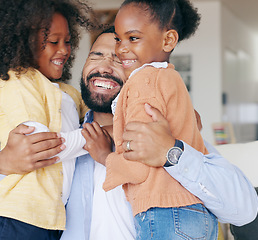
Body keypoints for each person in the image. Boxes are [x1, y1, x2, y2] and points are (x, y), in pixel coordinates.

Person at [0, 27, 258, 239]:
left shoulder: (166, 133)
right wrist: (1, 163)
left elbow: (243, 210)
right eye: (96, 55)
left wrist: (171, 153)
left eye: (121, 59)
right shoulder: (62, 134)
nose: (106, 66)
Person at [85, 0, 219, 239]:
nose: (121, 49)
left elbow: (138, 168)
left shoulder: (143, 84)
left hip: (166, 214)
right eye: (119, 38)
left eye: (133, 38)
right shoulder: (168, 78)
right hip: (193, 213)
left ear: (168, 40)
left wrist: (105, 156)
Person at [0, 0, 94, 239]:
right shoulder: (18, 80)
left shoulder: (69, 93)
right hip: (11, 217)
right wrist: (96, 136)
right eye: (53, 41)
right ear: (22, 42)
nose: (64, 50)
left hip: (48, 222)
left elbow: (102, 118)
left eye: (68, 41)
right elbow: (39, 147)